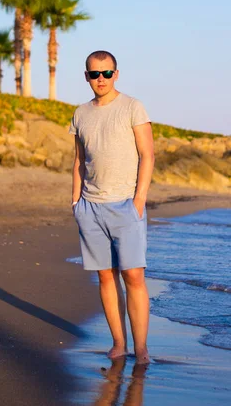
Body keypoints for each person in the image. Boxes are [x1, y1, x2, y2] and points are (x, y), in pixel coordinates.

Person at [69, 50, 155, 364]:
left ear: (116, 74)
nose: (101, 79)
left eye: (106, 73)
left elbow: (147, 154)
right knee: (106, 277)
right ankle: (119, 344)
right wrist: (76, 201)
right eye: (95, 74)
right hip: (90, 208)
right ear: (86, 77)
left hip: (125, 206)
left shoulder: (133, 107)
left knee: (133, 276)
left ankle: (142, 349)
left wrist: (139, 201)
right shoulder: (80, 113)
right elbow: (79, 160)